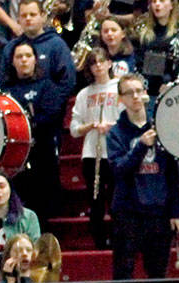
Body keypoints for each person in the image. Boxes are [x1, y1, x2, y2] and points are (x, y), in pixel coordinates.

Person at [106, 72, 179, 279]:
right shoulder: (116, 133)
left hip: (159, 212)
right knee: (123, 273)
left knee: (158, 274)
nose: (135, 97)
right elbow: (119, 170)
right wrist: (140, 146)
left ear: (146, 94)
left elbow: (172, 173)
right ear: (121, 99)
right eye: (129, 93)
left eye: (139, 91)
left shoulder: (161, 126)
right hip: (128, 212)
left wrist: (176, 211)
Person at [0, 40, 68, 229]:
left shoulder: (48, 86)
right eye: (19, 56)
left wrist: (28, 121)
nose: (24, 60)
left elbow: (51, 116)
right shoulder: (6, 91)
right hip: (15, 159)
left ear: (35, 60)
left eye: (28, 56)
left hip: (42, 155)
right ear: (12, 61)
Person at [69, 47, 121, 250]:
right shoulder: (84, 94)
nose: (98, 66)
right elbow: (74, 129)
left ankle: (118, 239)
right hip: (92, 153)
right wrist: (90, 126)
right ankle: (99, 241)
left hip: (116, 153)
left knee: (117, 199)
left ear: (109, 63)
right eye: (93, 63)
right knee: (96, 199)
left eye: (101, 61)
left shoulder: (120, 88)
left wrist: (111, 127)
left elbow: (128, 121)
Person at [131, 0, 179, 97]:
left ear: (172, 5)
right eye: (154, 1)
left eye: (162, 1)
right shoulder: (142, 31)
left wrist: (172, 85)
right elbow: (137, 61)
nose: (157, 4)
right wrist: (141, 85)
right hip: (145, 90)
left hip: (173, 91)